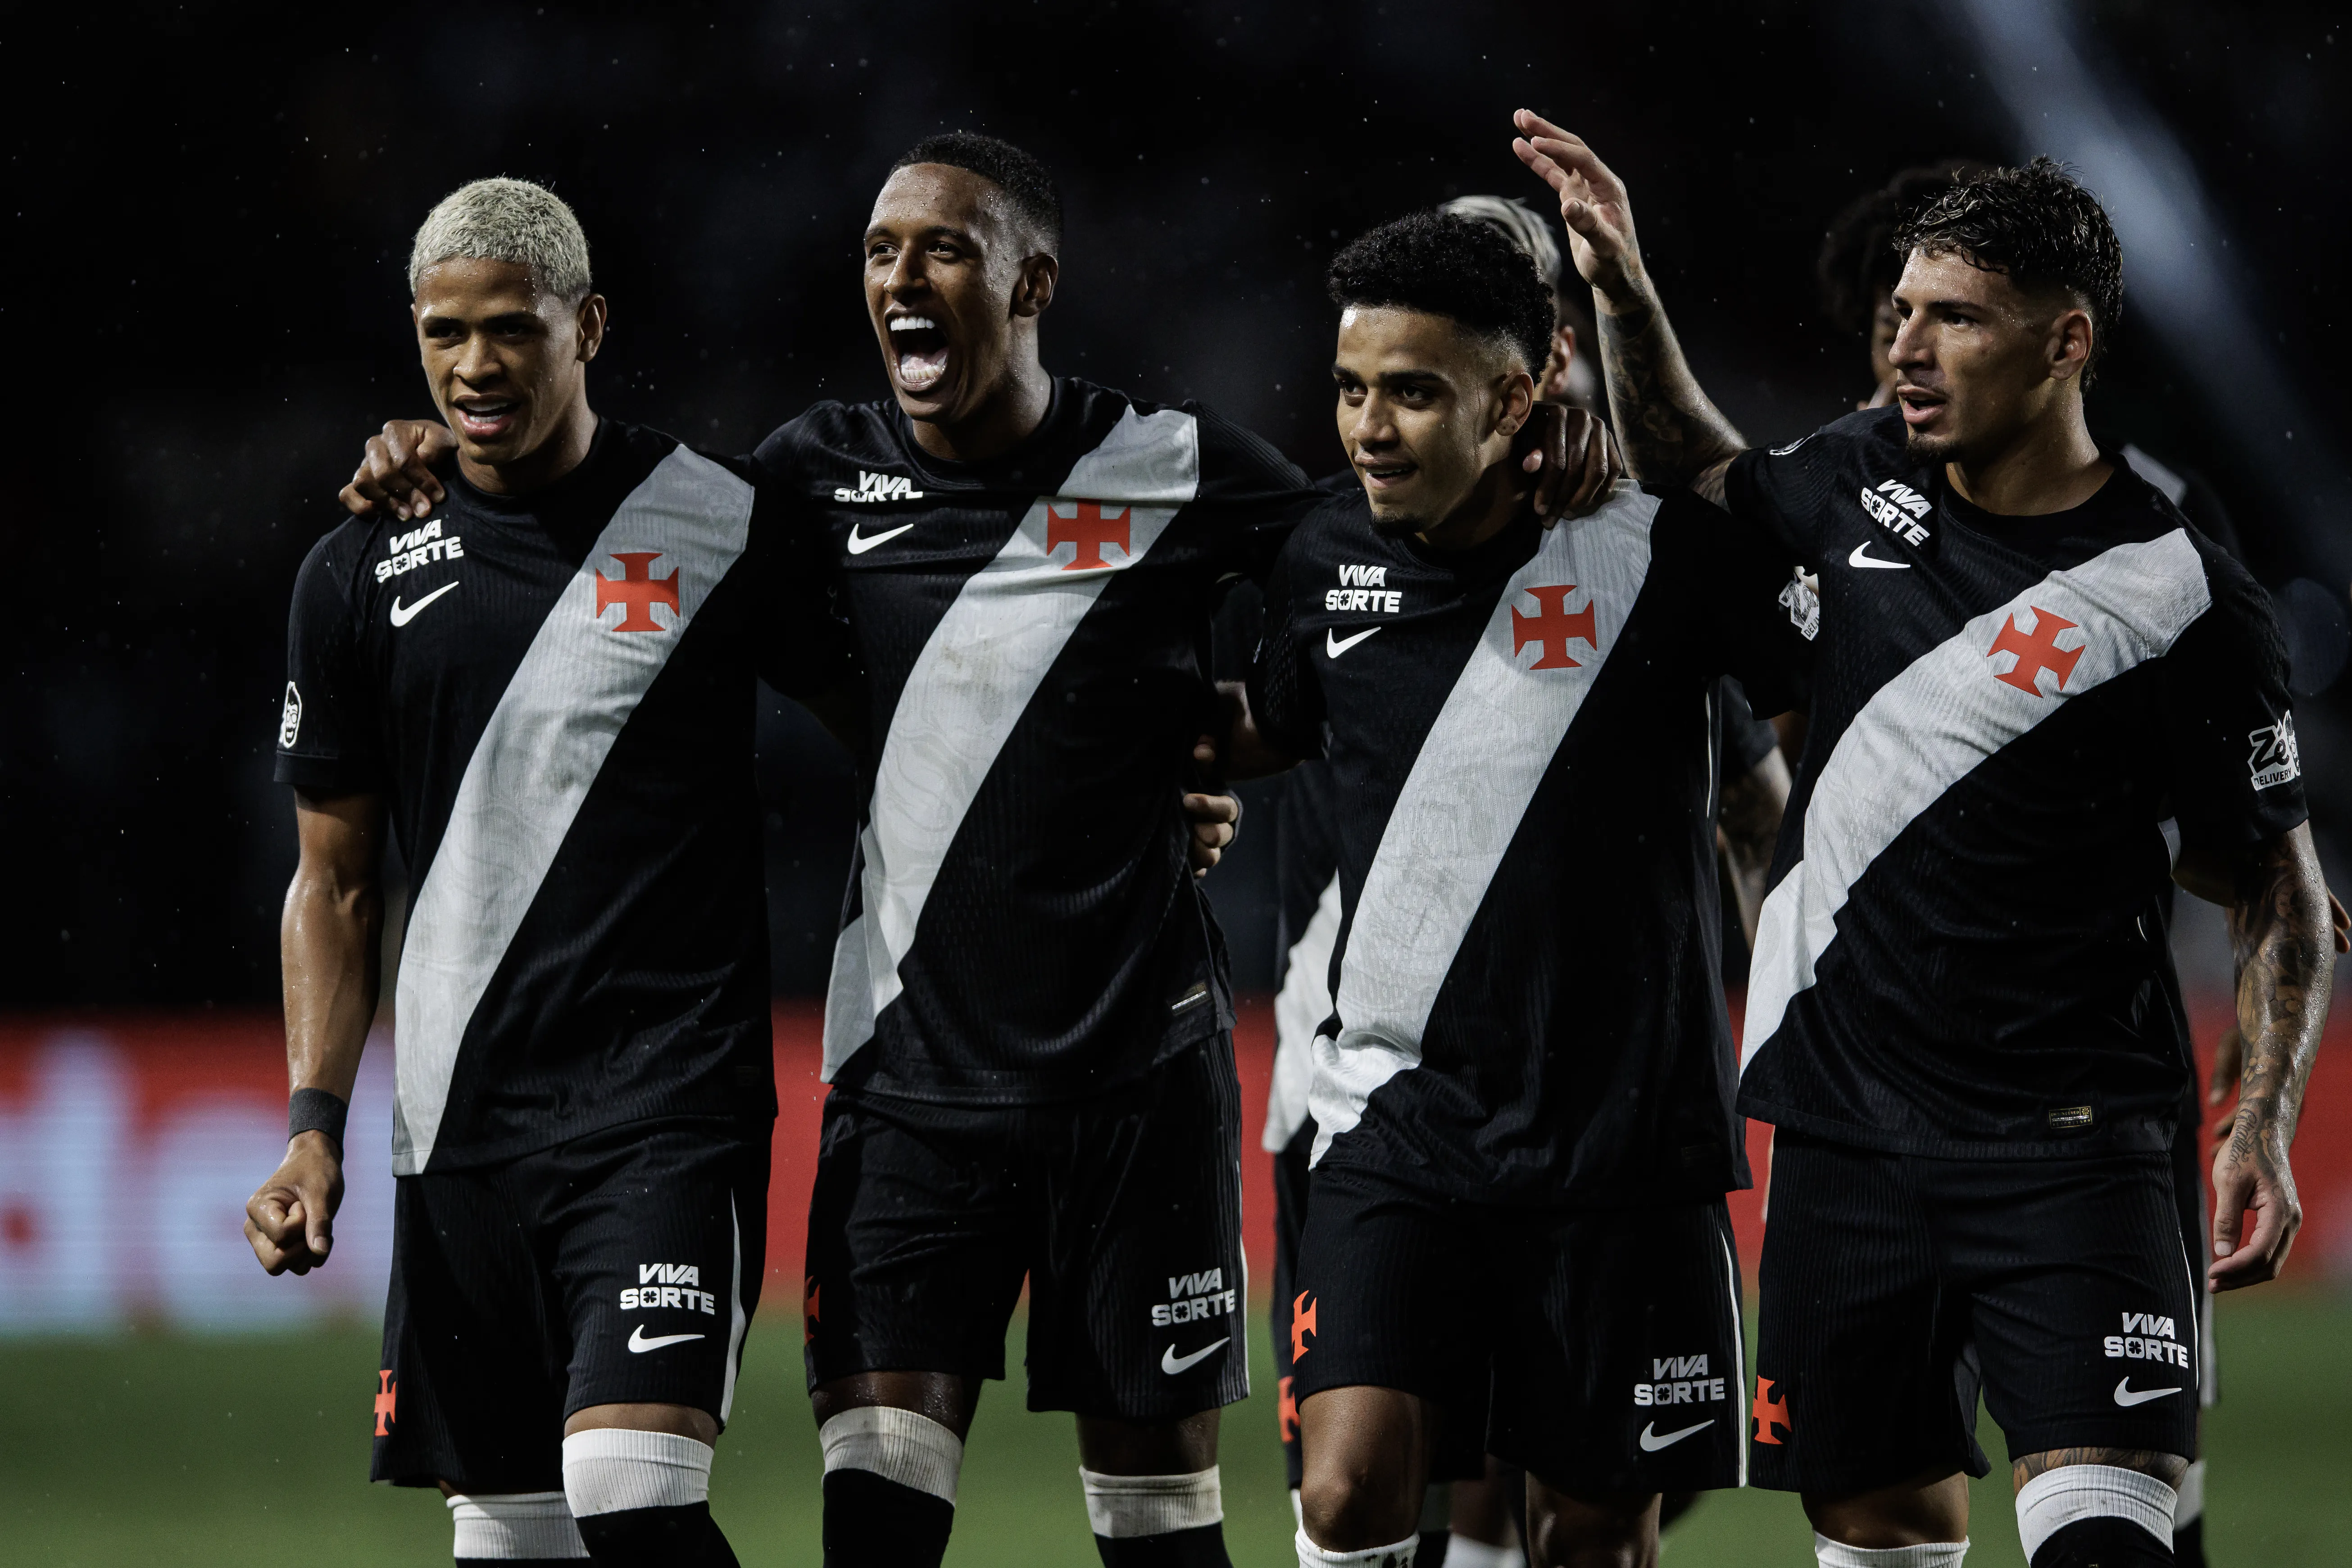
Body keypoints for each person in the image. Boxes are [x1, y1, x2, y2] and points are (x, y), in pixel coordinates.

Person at [337, 135, 1621, 1568]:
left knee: (1159, 1533)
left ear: (1032, 284)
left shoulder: (1181, 470)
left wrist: (1542, 448)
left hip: (1136, 1081)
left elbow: (1393, 545)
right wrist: (430, 460)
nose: (903, 275)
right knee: (876, 1524)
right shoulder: (800, 486)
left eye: (944, 248)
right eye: (882, 251)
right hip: (911, 1093)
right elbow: (583, 524)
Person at [1515, 114, 2337, 1568]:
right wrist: (1624, 295)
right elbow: (1702, 472)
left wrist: (2259, 1120)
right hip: (1846, 1144)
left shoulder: (2174, 592)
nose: (1904, 346)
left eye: (1952, 318)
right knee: (1879, 1539)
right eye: (1898, 312)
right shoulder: (1845, 481)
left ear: (2066, 341)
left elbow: (2277, 881)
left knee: (2111, 1543)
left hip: (2074, 1146)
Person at [245, 177, 859, 1567]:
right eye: (444, 333)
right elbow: (333, 885)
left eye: (513, 329)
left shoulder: (715, 521)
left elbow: (899, 718)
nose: (476, 367)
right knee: (513, 1540)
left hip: (666, 1108)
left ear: (588, 326)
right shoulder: (354, 573)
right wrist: (312, 1123)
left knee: (631, 1490)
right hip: (459, 1124)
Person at [1226, 208, 1809, 1568]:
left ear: (1522, 386)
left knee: (1593, 1536)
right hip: (1396, 1120)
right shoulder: (1316, 558)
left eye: (1411, 394)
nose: (1369, 426)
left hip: (1625, 1142)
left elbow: (1793, 726)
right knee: (1348, 1488)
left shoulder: (1652, 557)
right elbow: (1265, 725)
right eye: (1351, 390)